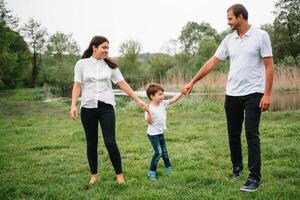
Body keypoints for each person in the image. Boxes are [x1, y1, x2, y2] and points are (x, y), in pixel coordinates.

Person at [181, 4, 274, 192]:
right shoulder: (228, 39)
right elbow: (212, 62)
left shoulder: (261, 36)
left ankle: (254, 177)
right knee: (233, 134)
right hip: (232, 94)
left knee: (251, 133)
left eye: (230, 18)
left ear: (241, 17)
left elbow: (269, 66)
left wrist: (267, 94)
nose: (228, 22)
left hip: (253, 93)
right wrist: (193, 81)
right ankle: (237, 169)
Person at [70, 36, 148, 186]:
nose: (106, 50)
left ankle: (119, 175)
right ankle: (94, 175)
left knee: (110, 142)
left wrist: (138, 100)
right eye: (104, 47)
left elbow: (122, 84)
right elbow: (77, 86)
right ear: (94, 47)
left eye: (107, 48)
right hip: (88, 108)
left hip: (106, 107)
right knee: (91, 143)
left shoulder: (110, 66)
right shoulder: (81, 64)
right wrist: (73, 105)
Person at [145, 83, 183, 181]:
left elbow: (173, 100)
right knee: (158, 153)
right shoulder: (149, 108)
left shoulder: (163, 104)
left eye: (163, 94)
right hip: (153, 135)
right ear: (152, 96)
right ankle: (151, 171)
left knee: (164, 152)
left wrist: (181, 93)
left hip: (160, 133)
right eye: (160, 94)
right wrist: (148, 112)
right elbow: (149, 122)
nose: (162, 96)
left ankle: (168, 167)